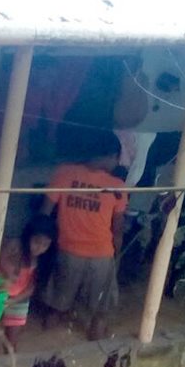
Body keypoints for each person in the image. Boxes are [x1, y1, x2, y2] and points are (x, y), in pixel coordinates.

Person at [39, 129, 128, 340]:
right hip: (101, 253)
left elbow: (44, 213)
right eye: (118, 157)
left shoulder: (64, 173)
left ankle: (49, 338)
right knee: (101, 311)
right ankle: (95, 333)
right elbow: (118, 227)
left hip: (68, 250)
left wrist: (45, 247)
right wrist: (118, 253)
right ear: (110, 156)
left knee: (57, 306)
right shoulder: (117, 186)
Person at [0, 214, 57, 352]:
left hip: (19, 299)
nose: (39, 248)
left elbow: (32, 287)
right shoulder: (15, 245)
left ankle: (9, 365)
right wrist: (9, 272)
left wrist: (14, 300)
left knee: (12, 342)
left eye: (45, 245)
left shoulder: (43, 260)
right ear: (29, 236)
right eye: (37, 242)